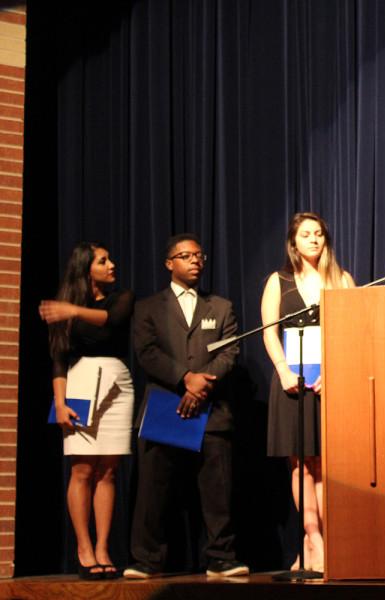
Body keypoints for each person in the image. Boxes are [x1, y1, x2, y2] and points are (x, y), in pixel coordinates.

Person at [124, 233, 248, 578]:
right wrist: (185, 379)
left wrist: (200, 384)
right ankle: (146, 560)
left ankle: (221, 558)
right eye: (186, 256)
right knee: (153, 490)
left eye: (199, 256)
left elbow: (230, 352)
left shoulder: (221, 306)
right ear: (169, 263)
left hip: (211, 407)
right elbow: (147, 353)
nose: (195, 261)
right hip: (167, 404)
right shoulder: (148, 307)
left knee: (217, 489)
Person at [262, 213, 354, 572]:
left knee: (325, 464)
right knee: (300, 464)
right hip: (291, 382)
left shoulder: (342, 279)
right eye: (306, 234)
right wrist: (284, 371)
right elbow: (270, 331)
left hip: (330, 382)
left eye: (319, 234)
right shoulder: (279, 280)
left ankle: (326, 542)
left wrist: (334, 372)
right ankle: (311, 538)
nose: (314, 239)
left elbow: (352, 331)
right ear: (293, 242)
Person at [39, 242, 135, 580]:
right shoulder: (68, 309)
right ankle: (83, 547)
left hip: (117, 384)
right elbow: (59, 359)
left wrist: (73, 311)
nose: (112, 264)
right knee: (82, 470)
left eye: (110, 259)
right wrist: (60, 403)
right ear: (86, 268)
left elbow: (112, 321)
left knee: (108, 471)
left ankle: (103, 547)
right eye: (103, 260)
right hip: (78, 384)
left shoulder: (121, 297)